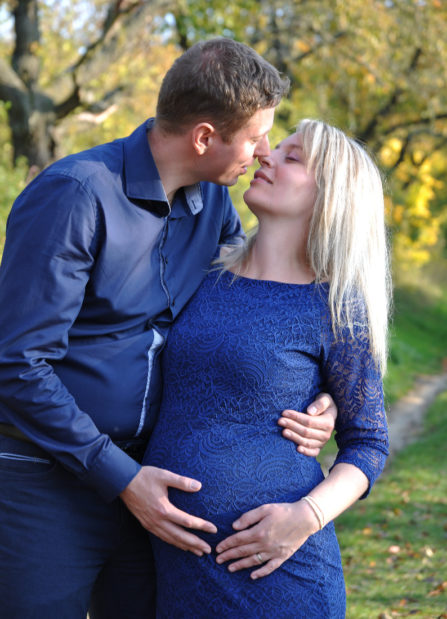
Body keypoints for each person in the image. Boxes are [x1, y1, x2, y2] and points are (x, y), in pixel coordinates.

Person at [0, 39, 336, 619]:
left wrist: (319, 396)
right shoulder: (76, 195)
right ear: (204, 137)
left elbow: (248, 320)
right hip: (45, 481)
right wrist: (121, 477)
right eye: (256, 136)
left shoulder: (214, 207)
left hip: (157, 485)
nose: (263, 153)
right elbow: (16, 362)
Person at [143, 118, 391, 617]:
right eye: (275, 147)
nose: (265, 155)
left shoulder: (335, 306)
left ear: (330, 197)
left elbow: (369, 443)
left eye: (291, 157)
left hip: (280, 576)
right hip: (177, 571)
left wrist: (307, 517)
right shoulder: (204, 272)